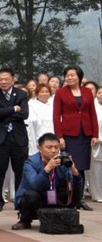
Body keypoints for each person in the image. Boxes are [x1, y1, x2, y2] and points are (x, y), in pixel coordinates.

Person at [12, 133, 84, 230]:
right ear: (39, 148)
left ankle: (65, 217)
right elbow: (35, 185)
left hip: (54, 198)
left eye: (56, 147)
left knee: (73, 190)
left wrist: (74, 170)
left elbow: (74, 186)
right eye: (49, 147)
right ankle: (25, 220)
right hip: (36, 199)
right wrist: (48, 168)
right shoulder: (30, 163)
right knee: (31, 195)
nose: (53, 151)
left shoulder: (62, 161)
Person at [53, 66, 98, 211]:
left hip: (85, 134)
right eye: (67, 75)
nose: (69, 77)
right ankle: (69, 197)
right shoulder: (60, 93)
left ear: (79, 76)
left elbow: (92, 114)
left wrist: (95, 134)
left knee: (82, 167)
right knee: (70, 165)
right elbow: (56, 116)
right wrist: (59, 136)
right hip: (69, 134)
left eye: (72, 75)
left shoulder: (87, 92)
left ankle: (80, 199)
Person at [0, 67, 29, 212]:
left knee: (20, 171)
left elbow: (24, 114)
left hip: (18, 138)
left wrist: (4, 113)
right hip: (0, 138)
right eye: (0, 79)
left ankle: (20, 199)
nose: (3, 82)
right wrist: (13, 109)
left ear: (13, 79)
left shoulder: (22, 94)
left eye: (6, 79)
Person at [27, 84, 54, 155]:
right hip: (37, 137)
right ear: (37, 93)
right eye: (42, 92)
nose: (44, 94)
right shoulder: (31, 105)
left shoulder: (53, 104)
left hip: (53, 137)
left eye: (47, 92)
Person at [89, 86, 102, 202]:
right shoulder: (93, 107)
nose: (101, 95)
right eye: (99, 92)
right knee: (96, 170)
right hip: (97, 142)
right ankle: (97, 194)